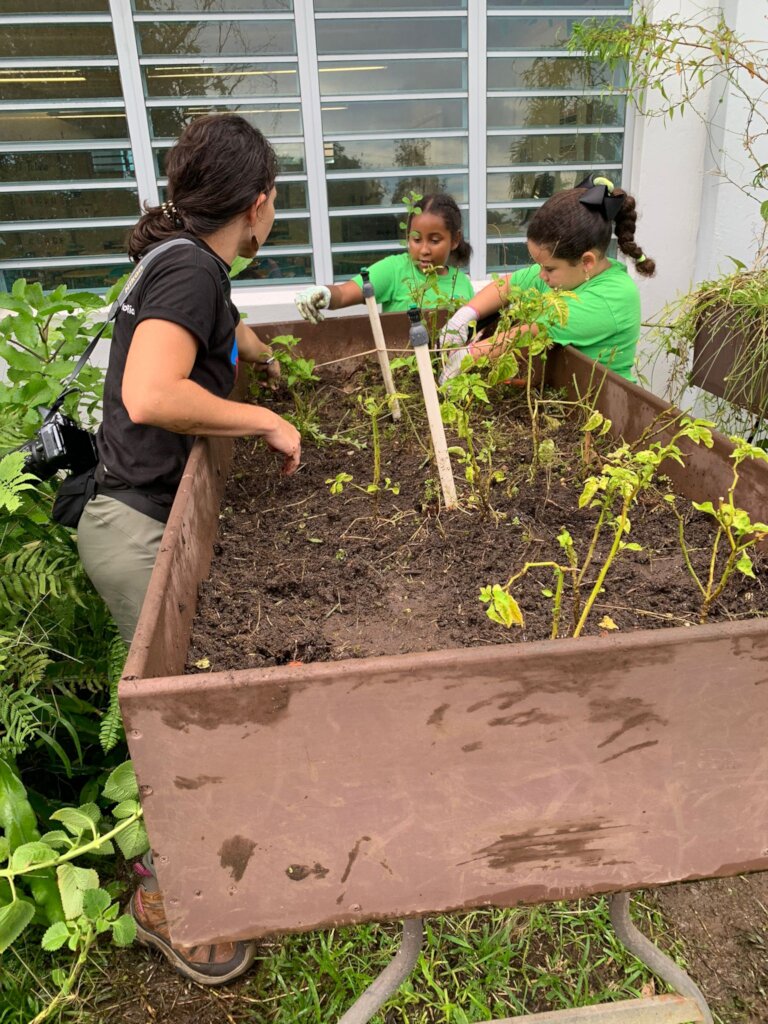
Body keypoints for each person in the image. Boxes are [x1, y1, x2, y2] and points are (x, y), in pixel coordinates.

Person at [76, 113, 301, 985]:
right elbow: (151, 392)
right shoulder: (193, 272)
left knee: (190, 717)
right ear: (259, 202)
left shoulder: (190, 261)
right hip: (136, 531)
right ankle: (164, 900)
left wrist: (259, 354)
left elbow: (215, 330)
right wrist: (263, 417)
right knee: (179, 734)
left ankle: (202, 867)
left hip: (142, 518)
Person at [439, 174, 655, 382]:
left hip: (605, 400)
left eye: (549, 268)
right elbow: (508, 285)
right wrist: (465, 316)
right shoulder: (570, 274)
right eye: (540, 265)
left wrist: (468, 356)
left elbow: (534, 331)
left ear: (587, 261)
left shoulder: (612, 297)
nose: (541, 274)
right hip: (564, 389)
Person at [293, 193, 474, 322]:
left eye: (434, 240)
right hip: (399, 362)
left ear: (455, 240)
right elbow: (344, 293)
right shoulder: (394, 270)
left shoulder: (461, 283)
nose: (424, 250)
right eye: (416, 239)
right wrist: (324, 293)